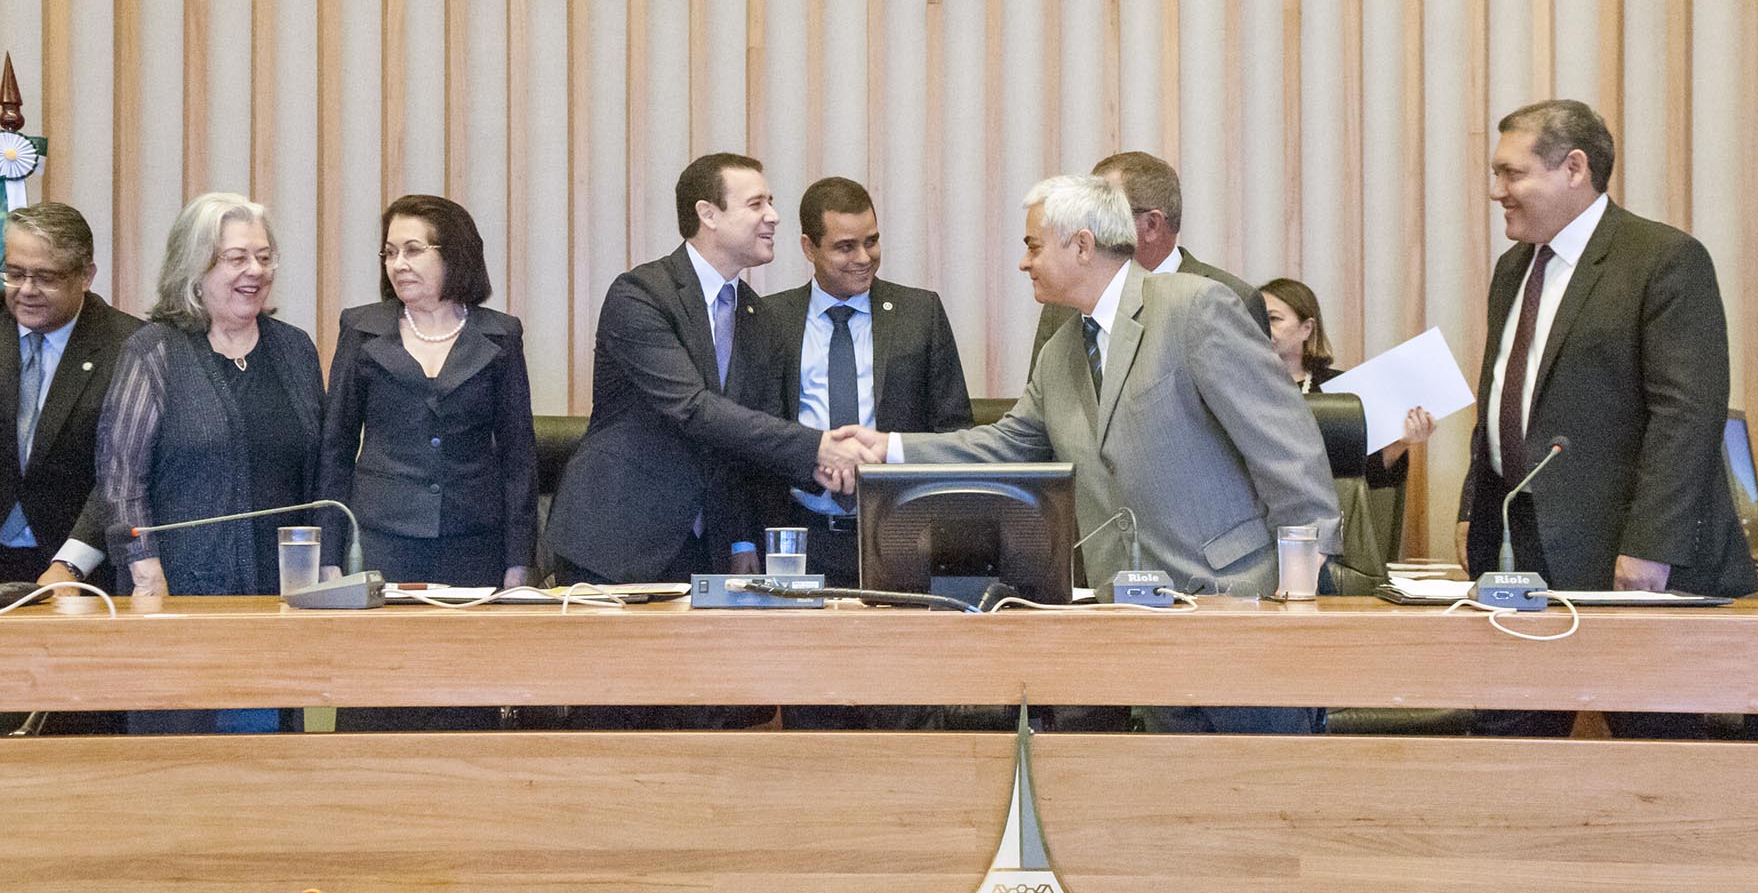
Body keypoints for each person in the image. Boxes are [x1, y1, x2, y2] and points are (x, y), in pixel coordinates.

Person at [833, 174, 1341, 735]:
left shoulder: (1194, 307)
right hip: (1136, 615)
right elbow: (1005, 445)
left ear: (1081, 245)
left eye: (1033, 246)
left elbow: (1283, 437)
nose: (1024, 263)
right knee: (1177, 785)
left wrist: (1308, 564)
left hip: (1234, 602)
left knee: (1266, 779)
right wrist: (888, 447)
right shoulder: (1061, 353)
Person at [1457, 99, 1758, 737]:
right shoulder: (1514, 268)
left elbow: (1686, 415)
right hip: (1518, 546)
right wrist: (1473, 507)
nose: (1496, 191)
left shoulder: (1662, 259)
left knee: (1655, 747)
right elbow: (1503, 395)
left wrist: (1651, 547)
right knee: (1508, 741)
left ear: (1574, 168)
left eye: (1512, 173)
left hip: (1628, 555)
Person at [543, 153, 875, 728]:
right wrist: (818, 449)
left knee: (703, 731)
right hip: (618, 544)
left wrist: (743, 541)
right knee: (614, 728)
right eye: (757, 204)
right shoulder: (641, 294)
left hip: (706, 555)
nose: (773, 216)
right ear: (708, 214)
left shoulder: (755, 315)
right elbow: (692, 408)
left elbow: (745, 444)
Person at [97, 192, 324, 735]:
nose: (255, 271)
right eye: (236, 258)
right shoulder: (154, 351)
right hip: (180, 594)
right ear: (194, 269)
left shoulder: (295, 349)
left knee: (269, 758)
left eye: (264, 257)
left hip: (278, 599)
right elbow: (120, 476)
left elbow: (319, 471)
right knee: (182, 756)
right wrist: (144, 571)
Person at [760, 176, 974, 731]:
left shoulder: (920, 312)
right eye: (845, 246)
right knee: (814, 708)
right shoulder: (770, 320)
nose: (864, 258)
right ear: (808, 247)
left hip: (900, 542)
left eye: (872, 241)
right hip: (804, 542)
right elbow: (755, 437)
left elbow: (954, 430)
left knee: (905, 706)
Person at [321, 195, 538, 733]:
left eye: (413, 250)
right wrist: (328, 556)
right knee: (378, 695)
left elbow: (518, 455)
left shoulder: (501, 334)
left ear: (453, 254)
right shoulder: (361, 328)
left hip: (473, 543)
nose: (398, 264)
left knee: (464, 693)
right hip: (381, 541)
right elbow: (336, 446)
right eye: (390, 252)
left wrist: (518, 560)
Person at [1260, 277, 1435, 590]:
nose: (1263, 327)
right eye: (1257, 318)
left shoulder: (1342, 393)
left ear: (1306, 329)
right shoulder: (1240, 385)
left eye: (1273, 318)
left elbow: (1365, 476)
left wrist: (1402, 443)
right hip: (1257, 525)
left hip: (1328, 534)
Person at [0, 202, 141, 589]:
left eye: (45, 277)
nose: (26, 290)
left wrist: (71, 564)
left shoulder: (129, 347)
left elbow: (123, 472)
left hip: (81, 568)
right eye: (15, 273)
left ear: (85, 276)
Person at [1027, 150, 1267, 373]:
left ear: (1152, 225)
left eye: (1104, 216)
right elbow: (1039, 402)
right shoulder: (1065, 304)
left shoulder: (1231, 300)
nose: (1086, 231)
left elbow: (1250, 401)